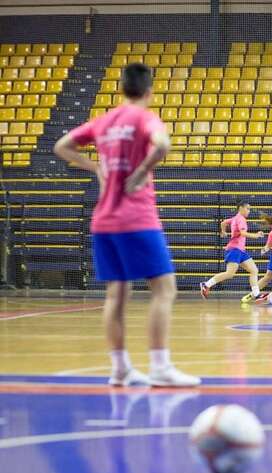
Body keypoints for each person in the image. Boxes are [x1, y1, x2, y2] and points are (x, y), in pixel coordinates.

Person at [53, 63, 200, 387]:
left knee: (116, 295)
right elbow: (162, 145)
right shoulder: (145, 117)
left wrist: (96, 168)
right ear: (148, 91)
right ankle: (160, 365)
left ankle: (120, 369)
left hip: (103, 220)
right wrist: (140, 171)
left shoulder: (104, 121)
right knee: (164, 289)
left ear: (121, 88)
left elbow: (61, 145)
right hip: (136, 217)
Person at [200, 201, 263, 300]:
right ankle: (206, 284)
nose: (249, 211)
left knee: (254, 270)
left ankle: (256, 294)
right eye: (247, 208)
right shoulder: (241, 219)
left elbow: (223, 223)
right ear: (241, 208)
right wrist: (256, 235)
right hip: (234, 249)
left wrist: (223, 231)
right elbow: (243, 233)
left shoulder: (234, 218)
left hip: (241, 250)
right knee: (230, 273)